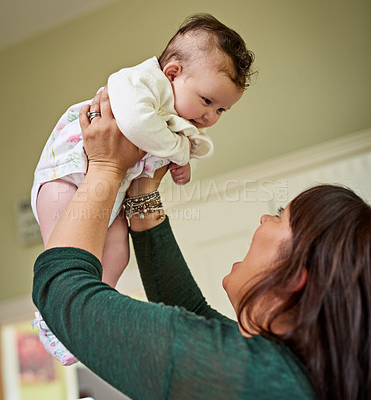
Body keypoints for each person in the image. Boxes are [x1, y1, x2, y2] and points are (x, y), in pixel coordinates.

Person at [32, 89, 371, 400]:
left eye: (281, 216)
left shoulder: (251, 377)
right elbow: (190, 310)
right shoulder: (287, 371)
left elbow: (61, 287)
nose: (265, 220)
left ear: (299, 274)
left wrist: (106, 167)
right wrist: (142, 185)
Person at [31, 14, 254, 365]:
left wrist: (179, 160)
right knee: (66, 263)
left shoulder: (176, 120)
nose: (211, 116)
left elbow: (158, 150)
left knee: (117, 254)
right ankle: (51, 317)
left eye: (222, 109)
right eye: (208, 101)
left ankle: (82, 323)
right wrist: (179, 151)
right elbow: (137, 126)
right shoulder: (141, 82)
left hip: (110, 187)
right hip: (65, 174)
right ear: (173, 73)